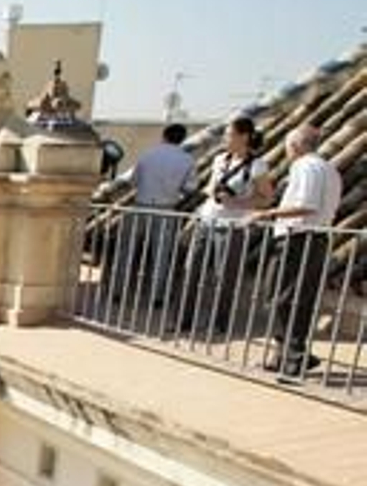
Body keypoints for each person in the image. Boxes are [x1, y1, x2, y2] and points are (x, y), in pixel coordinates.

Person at [250, 124, 343, 376]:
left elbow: (306, 205)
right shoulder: (330, 168)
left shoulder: (304, 166)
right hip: (318, 237)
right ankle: (287, 356)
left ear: (296, 145)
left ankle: (294, 356)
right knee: (298, 299)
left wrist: (267, 213)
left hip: (298, 238)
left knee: (280, 297)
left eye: (288, 145)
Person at [181, 116, 273, 332]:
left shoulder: (257, 165)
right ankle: (184, 319)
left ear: (244, 137)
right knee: (191, 269)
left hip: (232, 224)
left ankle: (218, 323)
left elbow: (267, 198)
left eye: (229, 134)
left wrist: (237, 201)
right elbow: (210, 187)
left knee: (225, 276)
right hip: (207, 219)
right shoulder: (220, 160)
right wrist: (212, 191)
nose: (225, 138)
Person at [125, 124, 197, 306]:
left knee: (126, 251)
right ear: (182, 139)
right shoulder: (187, 160)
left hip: (140, 205)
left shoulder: (147, 154)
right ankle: (157, 297)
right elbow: (190, 188)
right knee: (161, 255)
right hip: (166, 208)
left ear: (163, 136)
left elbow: (133, 181)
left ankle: (119, 291)